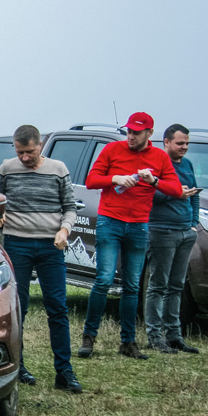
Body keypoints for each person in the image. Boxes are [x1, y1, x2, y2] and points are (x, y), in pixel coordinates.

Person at [78, 112, 182, 359]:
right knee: (104, 279)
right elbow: (91, 180)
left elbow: (176, 190)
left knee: (132, 285)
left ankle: (128, 342)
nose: (131, 136)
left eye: (137, 132)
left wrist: (154, 181)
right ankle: (88, 337)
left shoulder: (159, 157)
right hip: (110, 221)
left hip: (138, 225)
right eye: (129, 131)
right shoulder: (112, 150)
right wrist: (114, 178)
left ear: (149, 133)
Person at [0, 125, 82, 393]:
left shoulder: (58, 169)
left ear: (40, 145)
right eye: (20, 152)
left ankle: (64, 371)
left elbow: (70, 207)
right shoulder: (6, 168)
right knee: (18, 308)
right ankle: (17, 366)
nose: (25, 157)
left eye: (29, 152)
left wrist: (65, 230)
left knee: (58, 307)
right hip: (17, 244)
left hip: (51, 247)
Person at [144, 124, 201, 354]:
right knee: (158, 285)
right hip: (161, 231)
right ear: (166, 142)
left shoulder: (187, 165)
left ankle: (174, 335)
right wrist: (176, 191)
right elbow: (150, 195)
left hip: (185, 231)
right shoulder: (156, 164)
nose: (184, 147)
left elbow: (194, 195)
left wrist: (194, 223)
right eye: (180, 143)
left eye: (187, 143)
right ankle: (154, 336)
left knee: (176, 286)